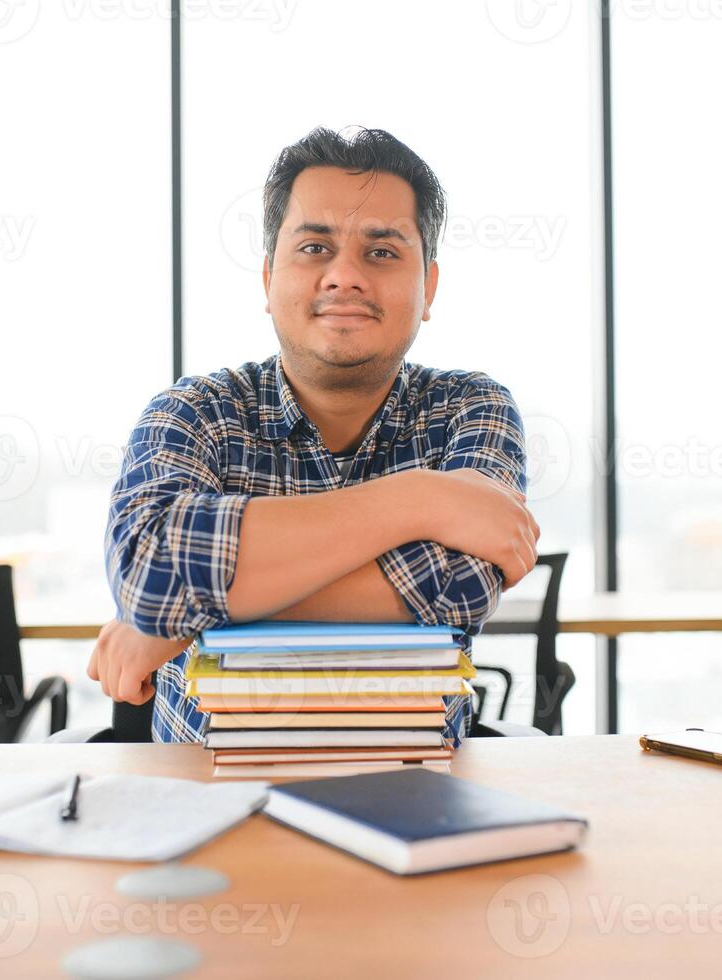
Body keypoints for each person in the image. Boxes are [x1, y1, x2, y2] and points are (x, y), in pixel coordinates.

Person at [91, 125, 540, 744]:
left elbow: (459, 583)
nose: (344, 276)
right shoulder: (195, 412)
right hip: (205, 801)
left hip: (419, 795)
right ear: (269, 278)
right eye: (314, 248)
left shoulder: (469, 407)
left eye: (382, 252)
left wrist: (180, 622)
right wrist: (421, 500)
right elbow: (151, 573)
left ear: (428, 287)